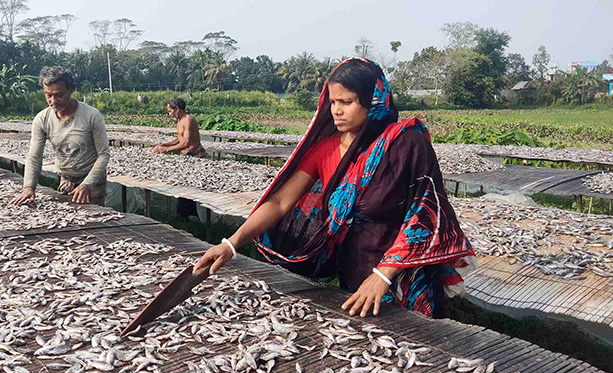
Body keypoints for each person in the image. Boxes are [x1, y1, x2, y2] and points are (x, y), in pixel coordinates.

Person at [193, 58, 477, 319]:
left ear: (373, 100)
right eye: (332, 102)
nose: (337, 111)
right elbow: (280, 202)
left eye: (348, 101)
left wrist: (384, 274)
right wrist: (231, 244)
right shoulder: (325, 150)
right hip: (355, 279)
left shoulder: (407, 144)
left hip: (405, 281)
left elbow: (428, 213)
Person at [10, 66, 110, 206]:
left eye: (59, 95)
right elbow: (34, 156)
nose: (53, 101)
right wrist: (28, 187)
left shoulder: (91, 115)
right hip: (66, 182)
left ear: (71, 90)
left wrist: (87, 184)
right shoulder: (42, 119)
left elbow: (104, 154)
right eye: (48, 95)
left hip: (92, 184)